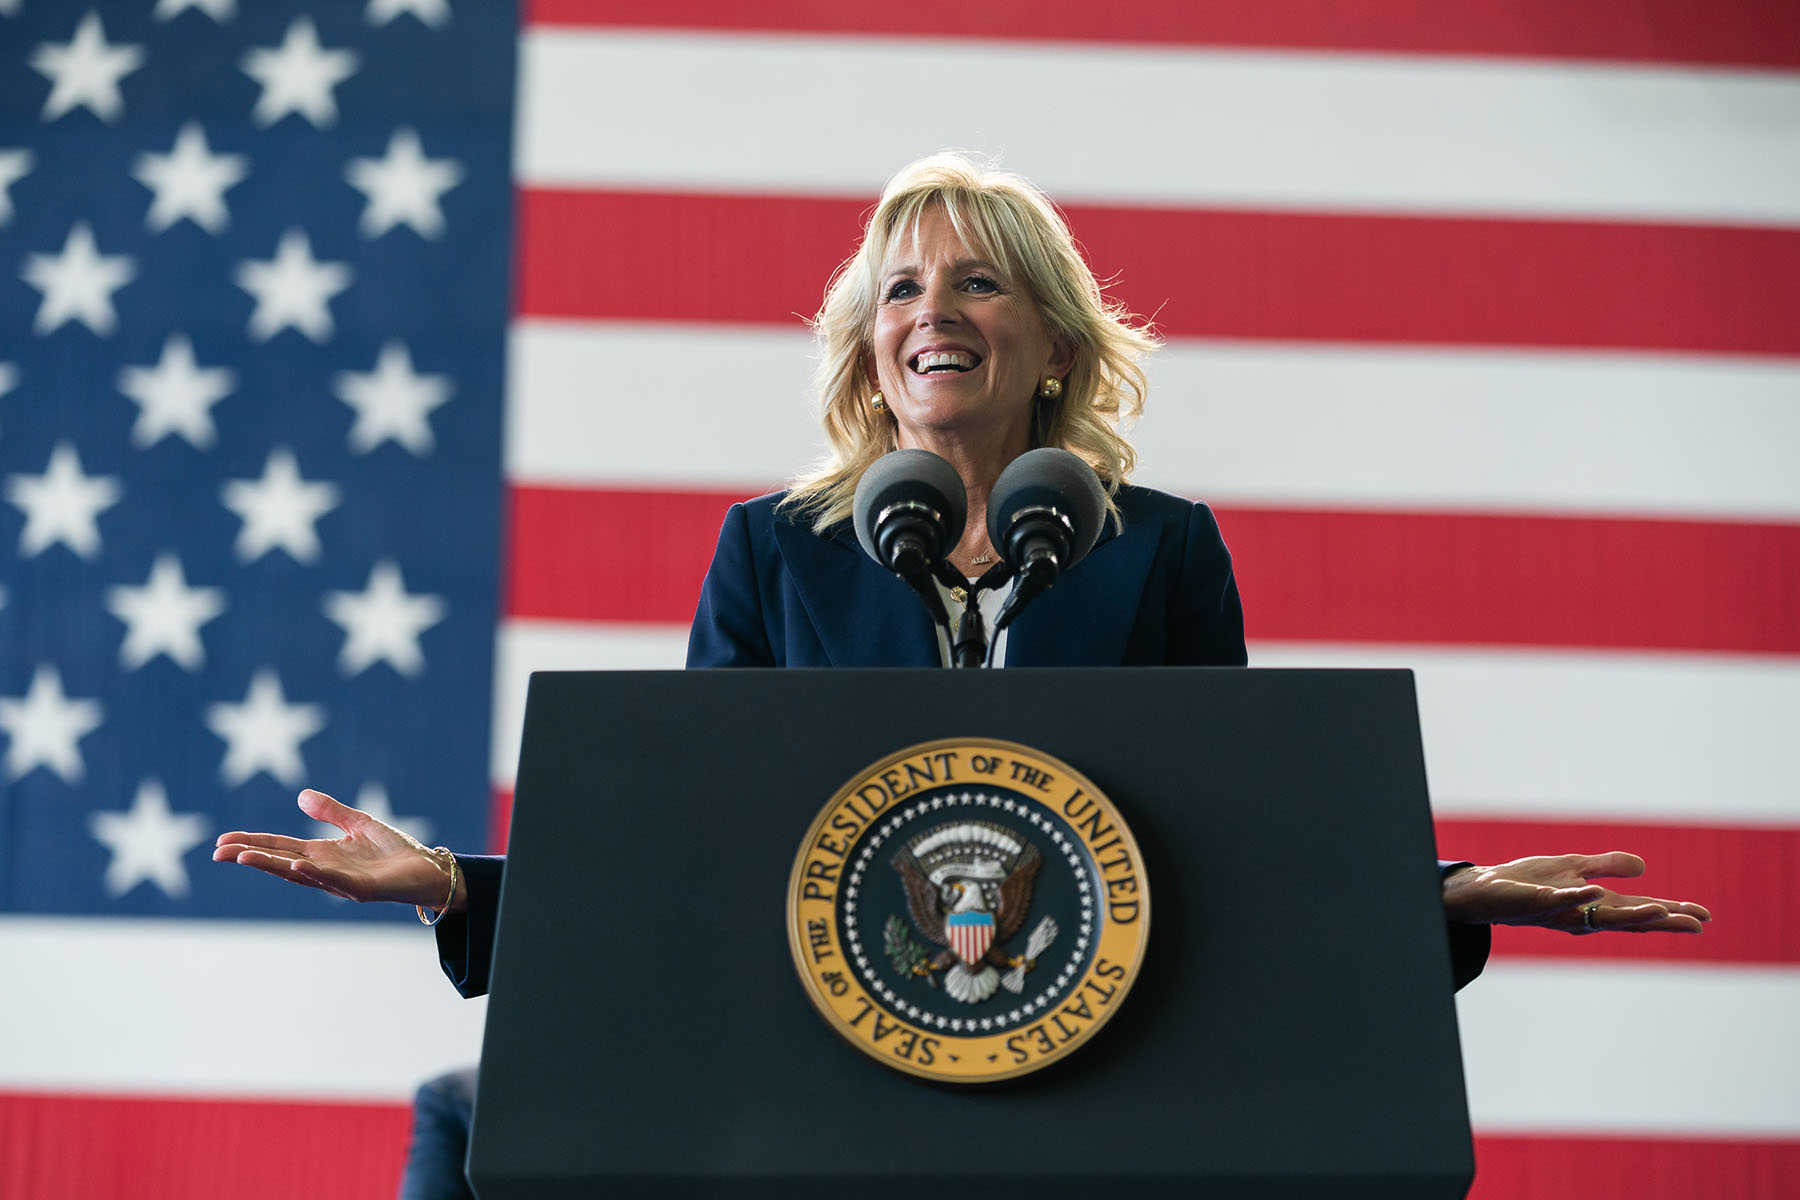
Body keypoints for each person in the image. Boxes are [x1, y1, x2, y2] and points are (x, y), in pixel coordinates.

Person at [215, 153, 1709, 998]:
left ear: (1055, 342)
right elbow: (696, 843)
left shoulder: (1161, 548)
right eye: (902, 289)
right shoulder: (774, 551)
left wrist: (1446, 894)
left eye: (978, 279)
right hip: (829, 1063)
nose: (935, 310)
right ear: (870, 343)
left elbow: (1231, 841)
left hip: (1091, 1051)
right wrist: (456, 889)